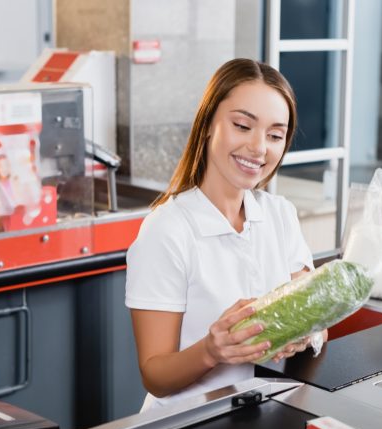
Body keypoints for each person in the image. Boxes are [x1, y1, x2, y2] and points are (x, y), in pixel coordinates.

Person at [125, 58, 327, 410]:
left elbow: (316, 317)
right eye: (242, 125)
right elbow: (154, 375)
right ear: (207, 125)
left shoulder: (281, 216)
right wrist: (210, 350)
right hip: (182, 428)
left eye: (275, 135)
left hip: (263, 417)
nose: (259, 148)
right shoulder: (168, 229)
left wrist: (308, 332)